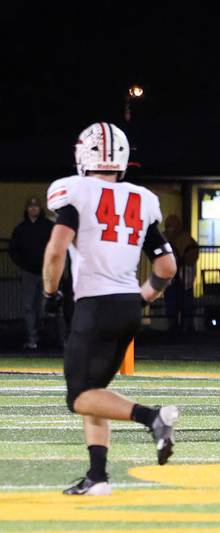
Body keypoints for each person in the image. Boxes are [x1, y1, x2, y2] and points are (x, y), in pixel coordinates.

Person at [42, 122, 179, 496]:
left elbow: (56, 250)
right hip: (127, 305)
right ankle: (97, 477)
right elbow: (166, 269)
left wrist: (50, 291)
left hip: (95, 305)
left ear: (83, 154)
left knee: (79, 397)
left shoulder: (76, 191)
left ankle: (153, 418)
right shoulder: (141, 198)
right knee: (95, 392)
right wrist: (141, 298)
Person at [9, 197, 54, 349]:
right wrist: (23, 264)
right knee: (29, 307)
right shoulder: (20, 229)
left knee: (46, 307)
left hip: (47, 272)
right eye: (30, 206)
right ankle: (32, 339)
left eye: (36, 206)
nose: (33, 209)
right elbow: (13, 250)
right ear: (27, 209)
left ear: (40, 209)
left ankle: (54, 339)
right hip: (28, 272)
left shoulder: (49, 227)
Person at [163, 215, 198, 332]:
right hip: (177, 279)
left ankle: (182, 326)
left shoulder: (183, 239)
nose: (170, 229)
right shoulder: (185, 239)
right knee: (179, 304)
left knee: (180, 305)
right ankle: (183, 326)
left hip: (181, 279)